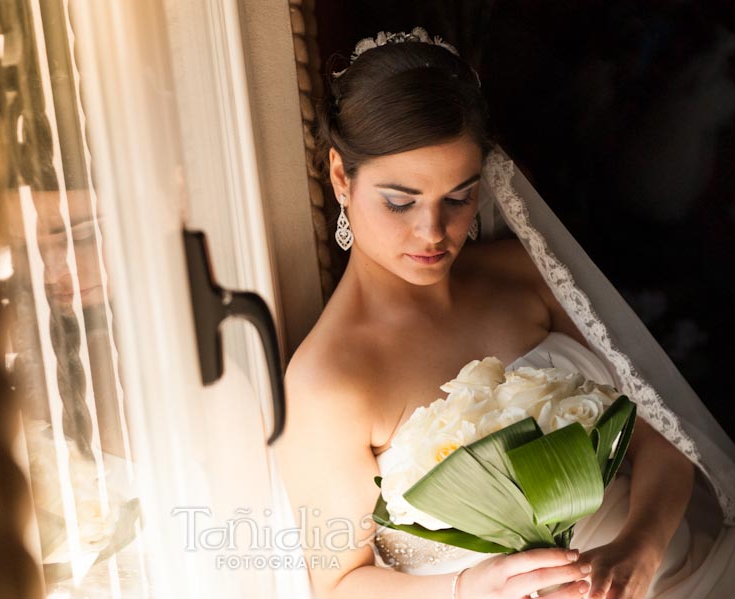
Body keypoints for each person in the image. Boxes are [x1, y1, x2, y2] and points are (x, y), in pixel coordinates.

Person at [276, 28, 735, 599]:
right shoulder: (329, 380)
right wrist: (469, 587)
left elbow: (662, 440)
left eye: (459, 197)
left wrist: (639, 551)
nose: (434, 232)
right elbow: (340, 583)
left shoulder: (524, 273)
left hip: (685, 569)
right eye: (400, 201)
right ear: (341, 177)